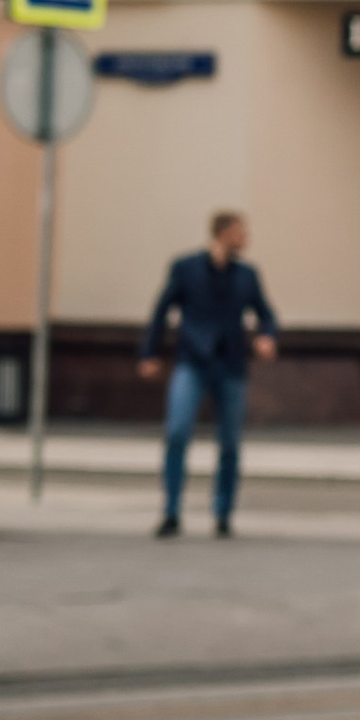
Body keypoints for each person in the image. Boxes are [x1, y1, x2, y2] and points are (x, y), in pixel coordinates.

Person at [140, 212, 277, 537]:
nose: (246, 239)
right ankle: (171, 511)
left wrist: (266, 335)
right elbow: (161, 310)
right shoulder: (186, 268)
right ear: (224, 233)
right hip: (192, 360)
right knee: (177, 432)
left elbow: (265, 312)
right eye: (241, 233)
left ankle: (223, 513)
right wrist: (149, 352)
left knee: (229, 442)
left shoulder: (247, 274)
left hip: (230, 364)